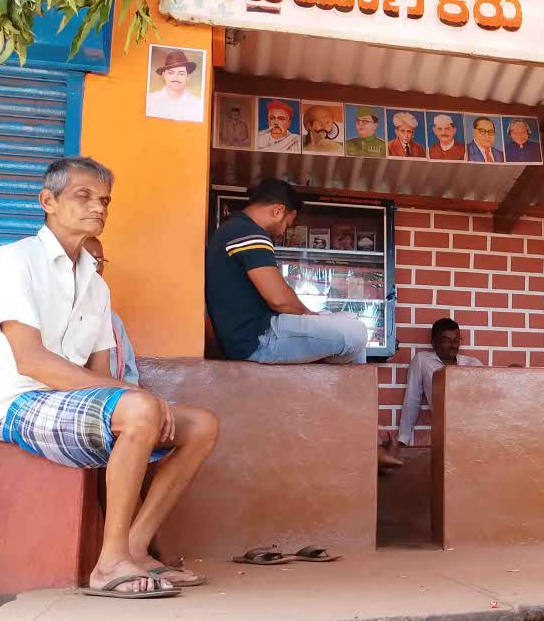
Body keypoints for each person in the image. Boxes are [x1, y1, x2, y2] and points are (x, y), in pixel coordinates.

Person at [0, 157, 219, 597]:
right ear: (49, 201)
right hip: (17, 403)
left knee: (201, 425)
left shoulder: (96, 284)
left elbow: (101, 374)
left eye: (104, 200)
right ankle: (109, 563)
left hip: (70, 406)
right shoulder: (13, 261)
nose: (98, 207)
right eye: (83, 196)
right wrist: (140, 398)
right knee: (138, 407)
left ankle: (136, 548)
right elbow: (32, 362)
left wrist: (137, 398)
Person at [205, 178, 369, 365]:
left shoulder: (233, 228)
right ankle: (343, 389)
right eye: (287, 225)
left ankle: (339, 385)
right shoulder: (247, 232)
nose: (283, 232)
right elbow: (280, 300)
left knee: (349, 319)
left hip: (255, 334)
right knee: (356, 333)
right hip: (258, 340)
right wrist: (310, 316)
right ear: (278, 211)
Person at [383, 318, 483, 465]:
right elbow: (412, 399)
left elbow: (486, 401)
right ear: (433, 343)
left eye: (456, 340)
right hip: (444, 433)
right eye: (446, 340)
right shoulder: (422, 361)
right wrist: (403, 439)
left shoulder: (473, 364)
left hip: (474, 432)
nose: (453, 345)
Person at [82, 237, 139, 385]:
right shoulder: (63, 313)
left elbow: (129, 373)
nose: (97, 267)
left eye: (100, 260)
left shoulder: (113, 320)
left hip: (114, 395)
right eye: (91, 260)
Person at [146, 50, 203, 122]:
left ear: (188, 77)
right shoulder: (150, 100)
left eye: (181, 74)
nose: (175, 78)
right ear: (164, 75)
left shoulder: (198, 105)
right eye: (171, 73)